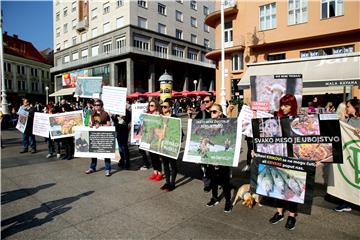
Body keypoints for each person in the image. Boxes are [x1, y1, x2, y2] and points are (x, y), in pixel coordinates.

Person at [269, 94, 298, 230]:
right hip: (278, 156)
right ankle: (279, 212)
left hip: (293, 158)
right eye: (282, 105)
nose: (283, 108)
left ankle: (292, 215)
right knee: (279, 186)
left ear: (292, 105)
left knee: (292, 187)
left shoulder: (299, 120)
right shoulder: (277, 119)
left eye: (286, 105)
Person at [334, 98, 360, 212]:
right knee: (349, 176)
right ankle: (346, 202)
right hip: (350, 154)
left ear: (355, 107)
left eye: (348, 106)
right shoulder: (348, 121)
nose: (347, 108)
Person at [205, 103, 232, 213]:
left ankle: (228, 201)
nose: (212, 113)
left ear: (220, 113)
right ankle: (214, 197)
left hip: (222, 156)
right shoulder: (208, 124)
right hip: (211, 156)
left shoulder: (227, 124)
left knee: (225, 181)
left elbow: (229, 140)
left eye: (214, 111)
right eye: (211, 111)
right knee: (213, 179)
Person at [85, 99, 112, 176]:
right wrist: (90, 125)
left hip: (103, 136)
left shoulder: (105, 114)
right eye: (95, 105)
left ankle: (107, 169)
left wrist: (100, 126)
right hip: (94, 135)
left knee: (106, 152)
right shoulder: (92, 113)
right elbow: (90, 123)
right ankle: (92, 168)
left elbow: (109, 124)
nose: (96, 106)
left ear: (101, 106)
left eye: (98, 105)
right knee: (93, 152)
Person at [194, 94, 215, 192]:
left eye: (207, 101)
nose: (205, 103)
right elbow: (193, 125)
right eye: (204, 102)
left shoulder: (216, 111)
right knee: (204, 164)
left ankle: (214, 180)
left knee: (213, 164)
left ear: (212, 101)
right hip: (203, 142)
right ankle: (207, 183)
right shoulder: (201, 113)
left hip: (213, 141)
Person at [159, 98, 178, 191]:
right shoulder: (160, 117)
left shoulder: (174, 117)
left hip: (171, 144)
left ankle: (172, 183)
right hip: (163, 143)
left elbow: (176, 131)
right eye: (162, 106)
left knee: (173, 164)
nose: (163, 108)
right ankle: (167, 182)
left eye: (165, 107)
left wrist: (166, 125)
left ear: (170, 108)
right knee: (165, 164)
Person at [144, 99, 163, 181]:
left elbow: (160, 126)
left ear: (156, 106)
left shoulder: (158, 115)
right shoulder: (148, 114)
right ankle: (155, 172)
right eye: (149, 105)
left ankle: (160, 173)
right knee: (151, 156)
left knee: (156, 157)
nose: (150, 107)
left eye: (152, 105)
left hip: (156, 138)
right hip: (150, 138)